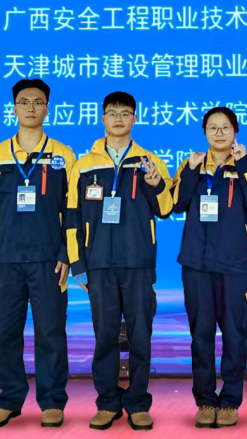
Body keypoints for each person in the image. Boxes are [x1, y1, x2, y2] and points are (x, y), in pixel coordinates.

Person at [64, 91, 173, 431]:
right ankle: (108, 403)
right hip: (99, 264)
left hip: (139, 263)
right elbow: (71, 216)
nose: (118, 119)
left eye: (125, 113)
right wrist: (77, 263)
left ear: (134, 118)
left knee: (140, 337)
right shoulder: (84, 165)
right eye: (112, 113)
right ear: (102, 118)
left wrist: (156, 183)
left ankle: (138, 403)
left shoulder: (149, 161)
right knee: (105, 337)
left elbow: (166, 208)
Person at [0, 79, 77, 429]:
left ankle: (52, 401)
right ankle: (8, 399)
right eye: (24, 102)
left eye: (37, 102)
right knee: (7, 332)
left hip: (50, 262)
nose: (31, 108)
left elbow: (73, 211)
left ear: (47, 108)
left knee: (51, 333)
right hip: (7, 261)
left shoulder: (64, 156)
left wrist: (67, 253)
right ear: (14, 108)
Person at [171, 107, 247, 429]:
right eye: (212, 127)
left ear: (235, 131)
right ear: (204, 132)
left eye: (225, 127)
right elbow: (175, 204)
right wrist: (190, 171)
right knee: (200, 335)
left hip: (235, 266)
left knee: (233, 335)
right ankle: (204, 400)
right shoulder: (191, 165)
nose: (219, 133)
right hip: (196, 265)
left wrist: (244, 164)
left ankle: (229, 401)